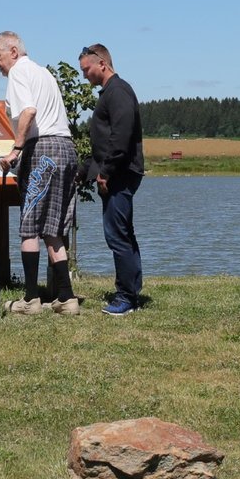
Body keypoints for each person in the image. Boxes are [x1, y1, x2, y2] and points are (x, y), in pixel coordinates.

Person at [0, 32, 81, 316]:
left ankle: (31, 299)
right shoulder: (45, 73)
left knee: (29, 225)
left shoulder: (18, 73)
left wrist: (16, 149)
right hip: (66, 148)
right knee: (54, 228)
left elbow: (29, 111)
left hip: (42, 150)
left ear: (13, 52)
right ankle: (66, 297)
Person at [78, 43, 145, 316]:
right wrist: (83, 172)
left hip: (119, 175)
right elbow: (103, 144)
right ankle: (132, 292)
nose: (85, 76)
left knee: (117, 236)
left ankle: (126, 297)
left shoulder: (118, 92)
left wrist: (105, 173)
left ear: (102, 63)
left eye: (87, 69)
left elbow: (120, 138)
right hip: (114, 173)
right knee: (123, 234)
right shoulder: (111, 93)